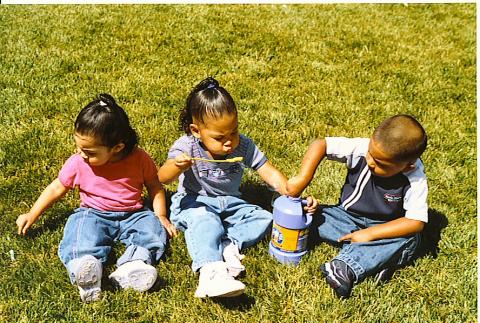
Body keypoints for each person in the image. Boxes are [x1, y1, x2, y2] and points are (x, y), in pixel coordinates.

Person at [158, 77, 317, 298]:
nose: (229, 142)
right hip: (195, 202)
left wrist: (291, 191)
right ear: (196, 130)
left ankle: (228, 243)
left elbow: (267, 171)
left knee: (264, 219)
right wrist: (176, 166)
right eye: (219, 137)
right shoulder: (186, 146)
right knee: (206, 222)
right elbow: (162, 177)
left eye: (233, 131)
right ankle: (210, 271)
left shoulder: (242, 145)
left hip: (231, 202)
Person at [16, 94, 176, 302]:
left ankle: (134, 265)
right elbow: (57, 187)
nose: (81, 154)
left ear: (117, 147)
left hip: (133, 213)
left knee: (151, 232)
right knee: (81, 233)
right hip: (93, 212)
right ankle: (85, 270)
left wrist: (161, 216)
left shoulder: (139, 158)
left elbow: (154, 186)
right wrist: (33, 213)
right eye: (79, 148)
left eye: (89, 151)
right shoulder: (78, 162)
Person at [286, 114, 428, 298]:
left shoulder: (414, 176)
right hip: (345, 217)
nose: (370, 161)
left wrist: (369, 234)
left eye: (379, 163)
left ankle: (345, 267)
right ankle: (379, 260)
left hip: (384, 229)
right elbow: (321, 144)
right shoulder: (362, 148)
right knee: (308, 213)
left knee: (410, 241)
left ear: (407, 166)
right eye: (370, 153)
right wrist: (303, 178)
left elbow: (415, 222)